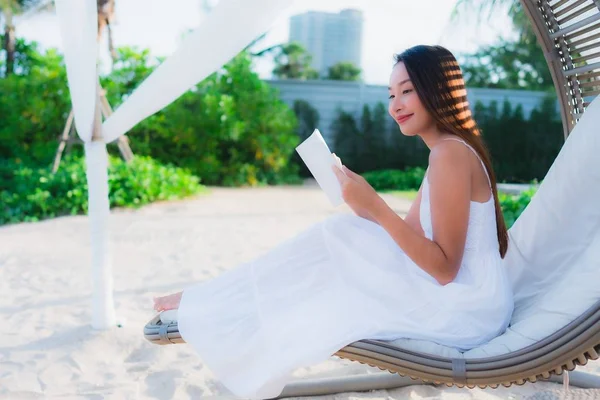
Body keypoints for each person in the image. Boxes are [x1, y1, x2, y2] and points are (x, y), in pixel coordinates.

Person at [152, 44, 514, 399]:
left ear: (438, 90)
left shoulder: (449, 153)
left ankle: (213, 302)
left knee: (337, 238)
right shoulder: (447, 151)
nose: (395, 105)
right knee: (345, 236)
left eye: (407, 91)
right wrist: (360, 201)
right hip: (466, 299)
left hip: (467, 310)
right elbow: (411, 238)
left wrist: (375, 204)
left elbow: (444, 268)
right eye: (390, 94)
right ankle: (216, 299)